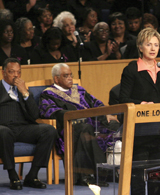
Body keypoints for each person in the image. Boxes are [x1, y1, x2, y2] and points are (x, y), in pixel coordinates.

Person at [39, 63, 118, 186]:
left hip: (92, 123)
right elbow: (50, 112)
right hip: (69, 127)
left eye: (71, 75)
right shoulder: (48, 94)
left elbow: (96, 103)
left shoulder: (79, 90)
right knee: (85, 129)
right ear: (56, 78)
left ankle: (115, 170)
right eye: (66, 76)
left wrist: (106, 113)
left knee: (115, 126)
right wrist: (75, 116)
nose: (70, 78)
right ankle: (89, 174)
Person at [119, 28, 160, 195]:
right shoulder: (131, 70)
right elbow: (123, 99)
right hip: (139, 131)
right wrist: (142, 103)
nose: (153, 48)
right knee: (139, 174)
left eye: (156, 45)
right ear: (140, 47)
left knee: (157, 174)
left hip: (159, 130)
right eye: (148, 44)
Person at [0, 58, 56, 190]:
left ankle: (32, 175)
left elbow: (34, 115)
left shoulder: (24, 91)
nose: (15, 75)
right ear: (3, 73)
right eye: (11, 72)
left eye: (18, 72)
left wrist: (25, 93)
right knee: (4, 132)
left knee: (49, 130)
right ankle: (13, 176)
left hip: (23, 128)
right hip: (3, 128)